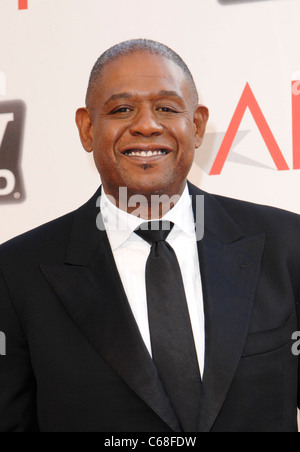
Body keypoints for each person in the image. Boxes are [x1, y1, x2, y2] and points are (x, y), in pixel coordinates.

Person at [0, 39, 300, 433]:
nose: (146, 125)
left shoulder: (287, 245)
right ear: (87, 128)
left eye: (166, 108)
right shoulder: (16, 273)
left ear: (196, 126)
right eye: (122, 109)